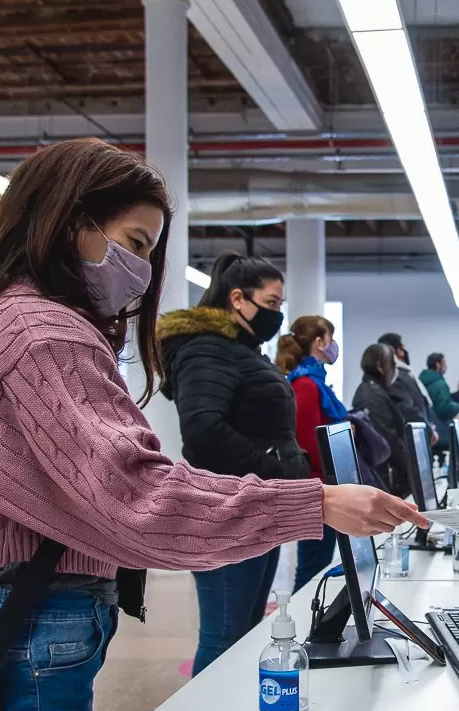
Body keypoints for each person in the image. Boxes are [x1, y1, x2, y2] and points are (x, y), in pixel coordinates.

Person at [0, 138, 422, 711]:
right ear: (67, 221)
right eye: (134, 242)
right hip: (29, 622)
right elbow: (136, 494)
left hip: (23, 613)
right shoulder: (40, 332)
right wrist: (312, 502)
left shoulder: (18, 321)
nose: (142, 270)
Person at [158, 251, 310, 675]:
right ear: (238, 298)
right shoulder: (208, 348)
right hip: (225, 515)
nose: (278, 315)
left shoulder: (242, 350)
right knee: (224, 637)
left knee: (244, 632)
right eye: (272, 303)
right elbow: (203, 432)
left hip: (257, 508)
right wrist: (273, 466)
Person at [277, 314, 347, 592]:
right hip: (317, 489)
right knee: (312, 568)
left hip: (324, 487)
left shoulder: (314, 382)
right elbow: (309, 444)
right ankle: (306, 624)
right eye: (330, 338)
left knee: (317, 564)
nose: (333, 345)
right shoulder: (306, 385)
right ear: (319, 342)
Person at [352, 343, 410, 497]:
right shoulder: (371, 395)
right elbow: (387, 438)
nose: (395, 370)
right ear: (380, 366)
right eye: (392, 364)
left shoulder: (375, 391)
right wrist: (410, 467)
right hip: (386, 475)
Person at [377, 332, 440, 443]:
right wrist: (428, 430)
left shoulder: (405, 373)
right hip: (412, 437)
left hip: (417, 433)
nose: (404, 352)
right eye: (402, 348)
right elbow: (408, 408)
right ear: (396, 351)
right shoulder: (396, 376)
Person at [419, 352, 459, 425]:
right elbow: (443, 409)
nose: (447, 366)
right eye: (444, 363)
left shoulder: (421, 381)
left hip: (427, 426)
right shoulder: (440, 384)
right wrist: (458, 406)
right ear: (438, 364)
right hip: (440, 429)